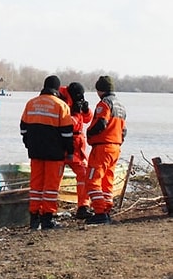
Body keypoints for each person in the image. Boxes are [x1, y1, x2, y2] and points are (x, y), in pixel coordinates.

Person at [20, 75, 74, 230]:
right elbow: (67, 133)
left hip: (35, 152)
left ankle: (34, 218)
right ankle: (47, 218)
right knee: (51, 186)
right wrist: (69, 151)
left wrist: (28, 144)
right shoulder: (61, 106)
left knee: (36, 185)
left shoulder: (31, 103)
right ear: (57, 89)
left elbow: (23, 128)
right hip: (54, 153)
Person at [84, 76, 127, 225]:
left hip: (102, 147)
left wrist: (89, 133)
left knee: (92, 180)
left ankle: (100, 212)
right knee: (107, 181)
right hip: (115, 147)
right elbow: (124, 131)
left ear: (100, 89)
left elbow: (101, 123)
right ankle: (106, 211)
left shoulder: (104, 104)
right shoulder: (121, 106)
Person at [58, 82, 94, 219]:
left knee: (84, 175)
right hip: (62, 143)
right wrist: (76, 113)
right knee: (55, 176)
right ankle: (49, 209)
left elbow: (87, 119)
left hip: (77, 145)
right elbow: (66, 122)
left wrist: (85, 110)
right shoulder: (60, 98)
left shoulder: (76, 100)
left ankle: (83, 206)